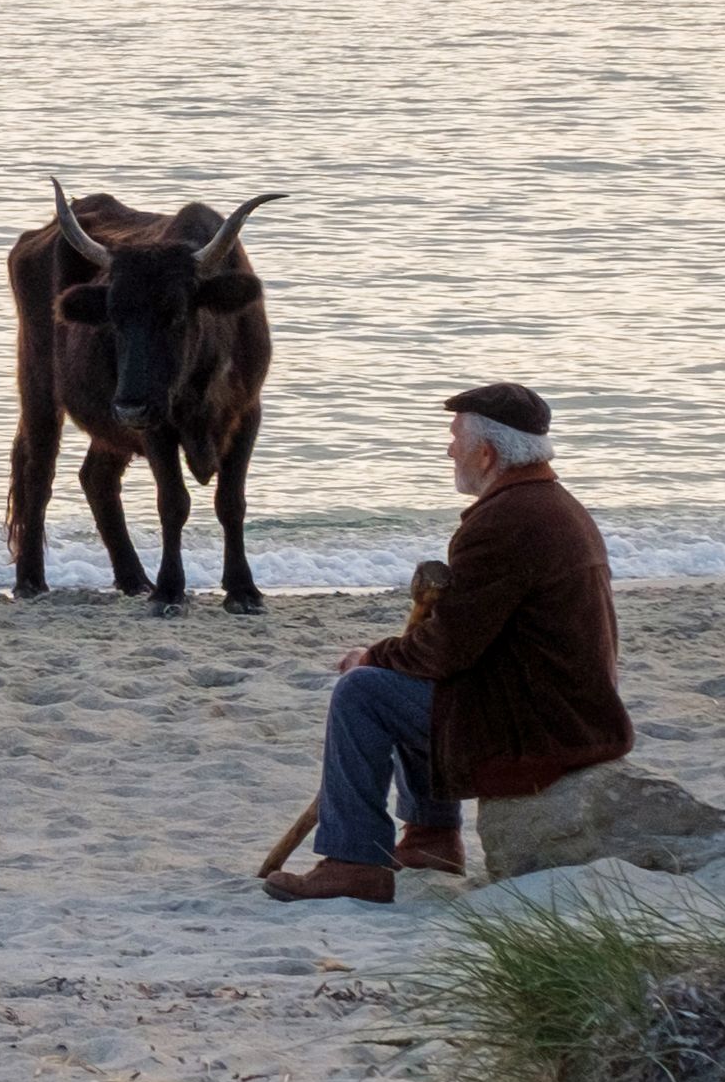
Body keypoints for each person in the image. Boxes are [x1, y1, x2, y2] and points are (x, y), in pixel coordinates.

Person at [264, 381, 636, 904]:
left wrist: (371, 657)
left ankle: (354, 862)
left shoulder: (508, 521)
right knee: (407, 684)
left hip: (544, 724)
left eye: (455, 439)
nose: (448, 450)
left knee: (364, 693)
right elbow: (462, 643)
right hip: (562, 707)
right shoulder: (548, 504)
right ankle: (430, 838)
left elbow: (447, 649)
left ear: (486, 453)